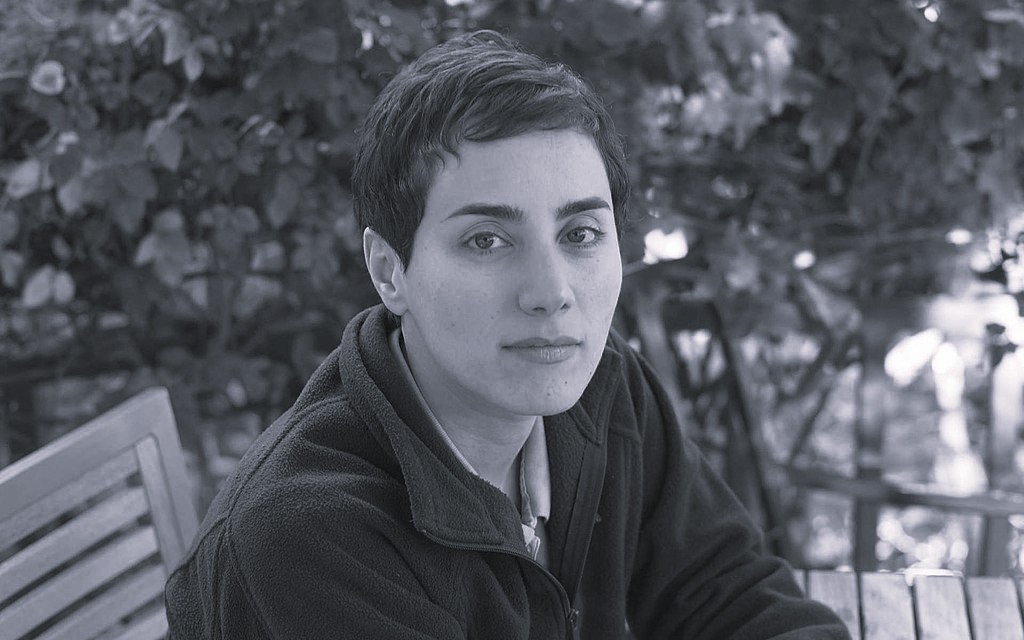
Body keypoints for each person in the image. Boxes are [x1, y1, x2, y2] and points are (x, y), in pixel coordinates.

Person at [165, 30, 850, 639]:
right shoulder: (310, 540)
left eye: (580, 233)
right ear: (389, 271)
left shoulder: (603, 392)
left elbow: (731, 594)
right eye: (486, 239)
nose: (551, 292)